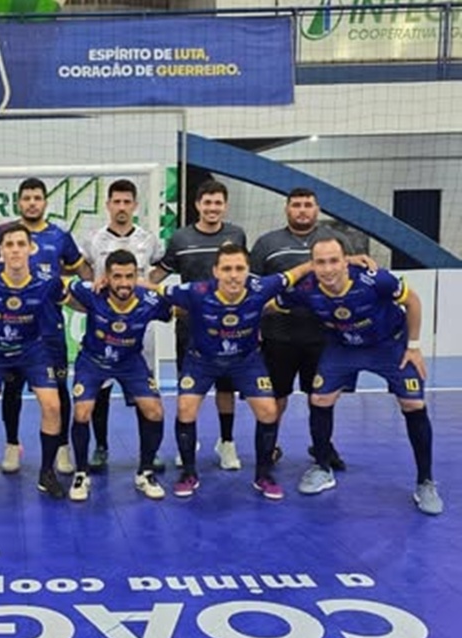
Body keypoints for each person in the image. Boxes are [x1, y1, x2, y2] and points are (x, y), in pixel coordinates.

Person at [278, 237, 443, 515]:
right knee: (320, 398)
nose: (328, 269)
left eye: (334, 261)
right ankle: (322, 467)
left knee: (413, 403)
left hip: (389, 345)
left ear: (346, 261)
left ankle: (425, 482)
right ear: (312, 265)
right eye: (320, 262)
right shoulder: (306, 288)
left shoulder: (375, 280)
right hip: (342, 347)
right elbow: (273, 302)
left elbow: (413, 301)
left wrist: (413, 346)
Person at [154, 244, 313, 500]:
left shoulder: (261, 288)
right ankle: (189, 474)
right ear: (216, 271)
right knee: (185, 408)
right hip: (202, 360)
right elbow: (154, 288)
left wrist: (331, 261)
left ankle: (263, 475)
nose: (233, 275)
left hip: (246, 361)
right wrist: (116, 281)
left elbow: (296, 273)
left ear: (248, 271)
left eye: (239, 268)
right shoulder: (196, 291)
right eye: (227, 269)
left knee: (269, 411)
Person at [149, 180, 247, 471]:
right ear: (197, 205)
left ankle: (226, 442)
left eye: (218, 203)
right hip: (190, 328)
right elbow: (158, 274)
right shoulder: (180, 238)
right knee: (189, 389)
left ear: (225, 206)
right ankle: (187, 445)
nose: (212, 208)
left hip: (229, 328)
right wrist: (130, 283)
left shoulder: (236, 235)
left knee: (226, 389)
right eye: (207, 202)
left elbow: (244, 276)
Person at [250, 187, 350, 469]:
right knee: (276, 397)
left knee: (321, 397)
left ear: (317, 209)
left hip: (323, 336)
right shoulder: (267, 243)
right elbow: (254, 289)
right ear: (287, 209)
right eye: (296, 205)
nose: (302, 210)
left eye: (308, 204)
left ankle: (322, 447)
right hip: (278, 335)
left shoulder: (335, 241)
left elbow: (350, 280)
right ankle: (269, 447)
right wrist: (253, 328)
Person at [0, 223, 67, 501]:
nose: (15, 250)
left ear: (31, 248)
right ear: (0, 250)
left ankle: (47, 473)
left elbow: (71, 297)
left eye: (21, 244)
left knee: (53, 406)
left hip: (33, 351)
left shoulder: (48, 279)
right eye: (9, 245)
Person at [66, 250, 172, 502]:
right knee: (82, 412)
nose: (124, 283)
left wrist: (150, 286)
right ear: (106, 277)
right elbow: (62, 285)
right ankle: (81, 474)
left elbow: (174, 312)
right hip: (93, 360)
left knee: (154, 411)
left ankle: (145, 472)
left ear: (137, 276)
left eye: (129, 276)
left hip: (130, 362)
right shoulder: (92, 293)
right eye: (117, 276)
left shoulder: (150, 300)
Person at [83, 178, 165, 474]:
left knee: (145, 391)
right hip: (104, 326)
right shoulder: (94, 239)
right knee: (100, 389)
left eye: (126, 202)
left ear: (135, 205)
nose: (121, 207)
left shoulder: (148, 239)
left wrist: (147, 285)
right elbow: (81, 266)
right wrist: (93, 281)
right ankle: (101, 446)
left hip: (140, 328)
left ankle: (148, 453)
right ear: (108, 205)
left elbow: (163, 266)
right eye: (116, 201)